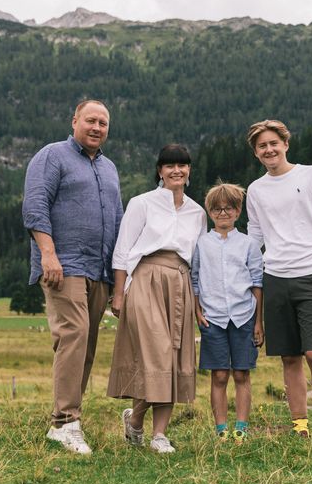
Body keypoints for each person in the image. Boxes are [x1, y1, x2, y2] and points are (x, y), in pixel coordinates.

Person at [22, 99, 122, 455]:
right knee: (74, 334)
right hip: (63, 265)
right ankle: (65, 422)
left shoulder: (109, 168)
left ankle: (67, 421)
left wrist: (117, 279)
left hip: (100, 270)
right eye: (91, 120)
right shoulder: (52, 156)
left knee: (87, 343)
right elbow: (35, 206)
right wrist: (49, 254)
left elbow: (117, 221)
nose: (97, 128)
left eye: (104, 123)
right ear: (75, 121)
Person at [245, 119, 312, 441]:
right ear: (256, 153)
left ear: (286, 144)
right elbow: (254, 237)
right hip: (275, 276)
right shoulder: (257, 190)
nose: (269, 149)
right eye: (262, 146)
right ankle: (300, 427)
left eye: (274, 143)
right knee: (289, 356)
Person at [107, 144, 206, 453]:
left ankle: (153, 432)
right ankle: (138, 421)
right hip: (146, 280)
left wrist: (199, 301)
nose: (177, 170)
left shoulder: (197, 212)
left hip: (181, 282)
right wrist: (118, 294)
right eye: (169, 165)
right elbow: (123, 250)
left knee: (175, 358)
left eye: (183, 165)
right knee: (157, 354)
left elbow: (199, 260)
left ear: (189, 170)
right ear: (160, 171)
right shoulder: (142, 203)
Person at [191, 183, 264, 444]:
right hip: (213, 317)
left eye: (229, 208)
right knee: (219, 374)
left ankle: (241, 427)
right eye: (217, 209)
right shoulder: (202, 243)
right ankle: (221, 429)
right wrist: (198, 311)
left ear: (237, 211)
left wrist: (258, 322)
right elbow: (195, 278)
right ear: (210, 212)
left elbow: (257, 282)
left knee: (241, 373)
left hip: (244, 316)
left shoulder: (248, 244)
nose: (223, 213)